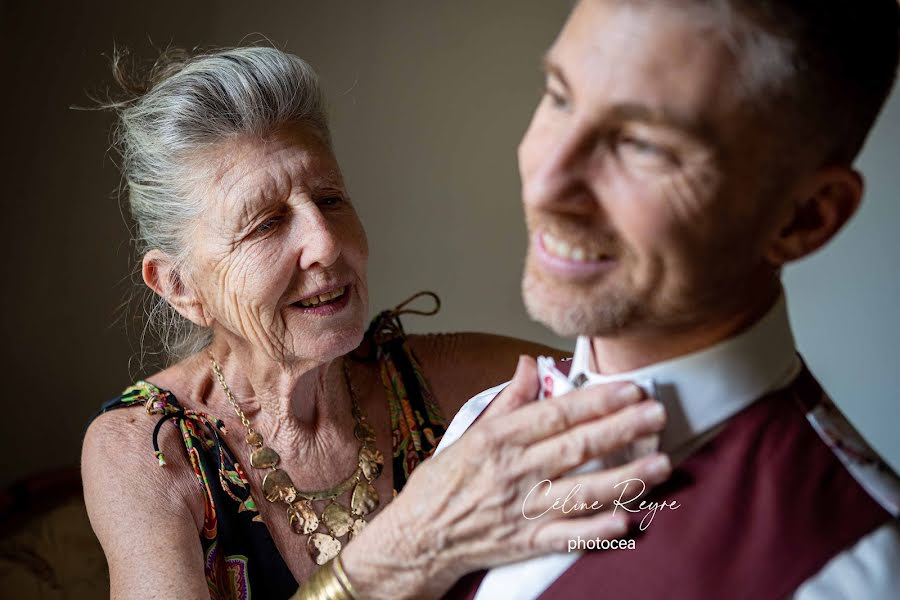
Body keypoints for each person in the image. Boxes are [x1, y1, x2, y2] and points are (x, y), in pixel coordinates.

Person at [81, 46, 674, 600]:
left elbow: (658, 395)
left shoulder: (451, 384)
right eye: (265, 224)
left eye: (331, 200)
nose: (325, 245)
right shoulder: (146, 452)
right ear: (180, 286)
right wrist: (404, 551)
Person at [439, 0, 900, 598]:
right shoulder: (483, 422)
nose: (546, 183)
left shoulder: (856, 574)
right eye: (559, 95)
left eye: (642, 144)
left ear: (804, 218)